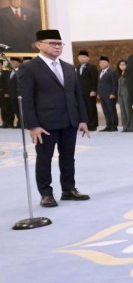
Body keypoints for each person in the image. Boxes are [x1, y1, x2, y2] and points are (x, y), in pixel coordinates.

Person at [17, 29, 91, 207]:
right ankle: (46, 194)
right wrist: (33, 125)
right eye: (52, 43)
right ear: (39, 45)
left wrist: (82, 119)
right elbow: (27, 99)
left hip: (70, 121)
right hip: (45, 123)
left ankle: (69, 189)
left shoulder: (68, 67)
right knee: (44, 159)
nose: (57, 47)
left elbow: (77, 95)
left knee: (68, 157)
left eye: (59, 44)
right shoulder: (29, 68)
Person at [76, 50, 99, 131]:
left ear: (88, 58)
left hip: (89, 92)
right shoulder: (78, 67)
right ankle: (84, 125)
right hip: (80, 92)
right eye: (80, 57)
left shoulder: (92, 67)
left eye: (84, 57)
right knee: (83, 108)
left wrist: (94, 90)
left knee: (91, 108)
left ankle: (92, 125)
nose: (82, 58)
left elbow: (95, 79)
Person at [97, 56, 119, 131]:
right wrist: (98, 93)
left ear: (108, 63)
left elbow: (115, 84)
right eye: (100, 62)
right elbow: (99, 83)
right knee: (105, 111)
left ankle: (114, 126)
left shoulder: (112, 72)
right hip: (102, 95)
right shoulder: (99, 72)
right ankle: (108, 125)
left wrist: (113, 93)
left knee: (112, 110)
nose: (102, 64)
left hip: (110, 95)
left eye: (104, 62)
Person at [116, 59, 133, 133]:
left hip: (127, 94)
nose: (122, 66)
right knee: (123, 111)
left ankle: (131, 127)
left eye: (123, 64)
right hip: (120, 94)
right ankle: (125, 127)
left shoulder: (129, 73)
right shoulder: (119, 73)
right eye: (120, 65)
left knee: (128, 110)